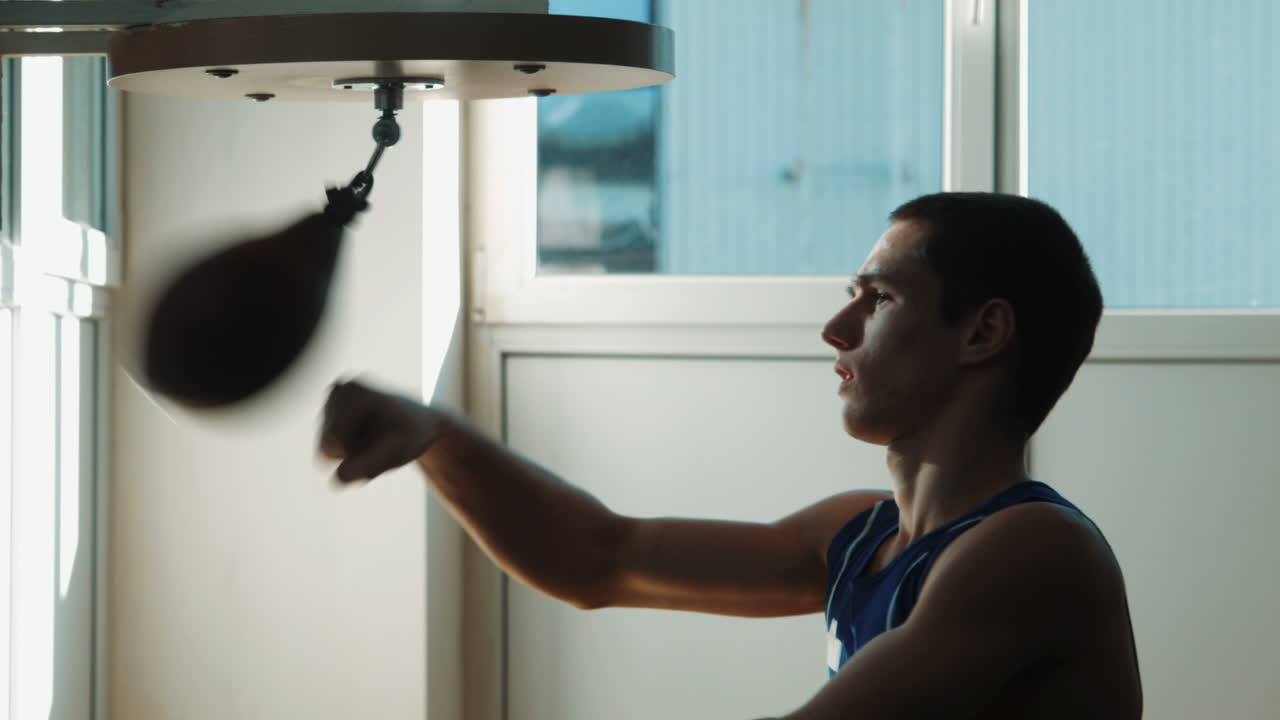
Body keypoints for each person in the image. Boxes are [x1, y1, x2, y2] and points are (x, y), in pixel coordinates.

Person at [318, 192, 1143, 719]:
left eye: (879, 298)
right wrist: (438, 437)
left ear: (983, 332)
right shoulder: (861, 536)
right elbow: (601, 559)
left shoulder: (1032, 550)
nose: (836, 329)